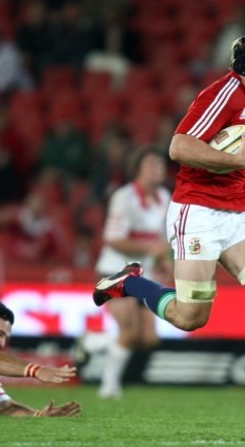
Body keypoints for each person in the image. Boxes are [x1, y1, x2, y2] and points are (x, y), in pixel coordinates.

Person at [92, 28, 245, 424]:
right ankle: (128, 283)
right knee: (190, 317)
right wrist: (233, 163)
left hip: (239, 212)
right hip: (197, 211)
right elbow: (179, 146)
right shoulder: (224, 94)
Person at [92, 148, 172, 399]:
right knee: (129, 332)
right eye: (151, 164)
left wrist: (163, 259)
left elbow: (162, 235)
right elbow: (113, 238)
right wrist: (151, 248)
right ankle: (109, 386)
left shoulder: (163, 196)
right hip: (116, 271)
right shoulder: (124, 197)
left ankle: (92, 342)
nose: (157, 169)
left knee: (148, 339)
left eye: (159, 164)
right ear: (138, 168)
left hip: (145, 274)